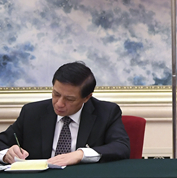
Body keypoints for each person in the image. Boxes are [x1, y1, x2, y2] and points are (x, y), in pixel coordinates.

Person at [0, 62, 130, 165]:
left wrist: (81, 154)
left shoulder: (106, 112)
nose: (59, 104)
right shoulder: (32, 112)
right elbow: (2, 142)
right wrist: (6, 154)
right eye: (56, 94)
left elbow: (121, 147)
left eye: (69, 99)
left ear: (87, 97)